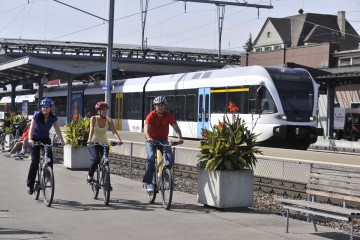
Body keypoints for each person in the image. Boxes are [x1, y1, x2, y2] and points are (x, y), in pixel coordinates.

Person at [143, 96, 183, 192]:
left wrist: (179, 137)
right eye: (158, 105)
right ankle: (148, 182)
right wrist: (149, 138)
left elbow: (176, 128)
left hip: (163, 139)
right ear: (155, 106)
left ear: (164, 106)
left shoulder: (168, 115)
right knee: (151, 157)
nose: (160, 107)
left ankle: (165, 175)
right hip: (151, 139)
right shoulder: (151, 116)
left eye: (162, 105)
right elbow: (146, 129)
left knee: (170, 158)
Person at [26, 98, 65, 195]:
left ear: (50, 108)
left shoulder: (53, 118)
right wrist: (30, 139)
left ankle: (48, 175)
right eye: (43, 107)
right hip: (34, 139)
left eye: (47, 107)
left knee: (50, 158)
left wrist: (62, 140)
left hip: (45, 139)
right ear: (41, 108)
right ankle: (30, 184)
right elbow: (31, 130)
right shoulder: (36, 116)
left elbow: (57, 130)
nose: (45, 109)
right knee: (35, 161)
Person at [86, 101, 123, 182]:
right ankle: (90, 175)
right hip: (94, 143)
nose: (105, 111)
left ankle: (106, 182)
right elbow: (91, 130)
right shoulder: (93, 118)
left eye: (106, 110)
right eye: (103, 110)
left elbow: (114, 131)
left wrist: (118, 140)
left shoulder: (109, 120)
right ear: (98, 111)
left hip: (104, 143)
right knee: (96, 159)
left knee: (106, 161)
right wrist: (89, 140)